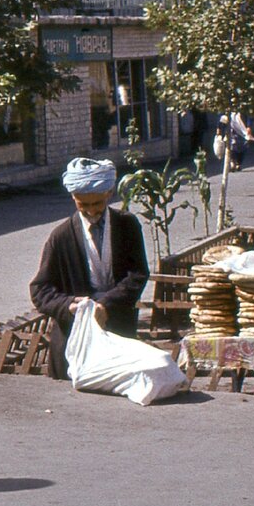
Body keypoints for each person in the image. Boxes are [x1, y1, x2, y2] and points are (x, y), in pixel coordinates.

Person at [29, 158, 149, 380]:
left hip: (118, 331)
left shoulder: (127, 225)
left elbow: (138, 274)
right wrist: (69, 305)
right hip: (73, 341)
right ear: (74, 198)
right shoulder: (61, 236)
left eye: (97, 204)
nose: (91, 211)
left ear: (108, 194)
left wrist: (106, 304)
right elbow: (40, 290)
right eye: (83, 205)